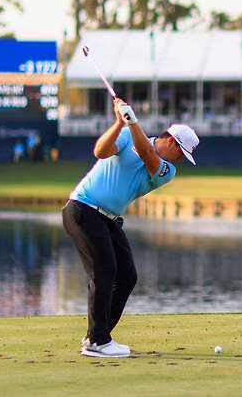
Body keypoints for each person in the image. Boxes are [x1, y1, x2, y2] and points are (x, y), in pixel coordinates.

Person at [62, 98, 199, 358]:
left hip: (109, 218)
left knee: (127, 276)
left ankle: (98, 335)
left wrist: (132, 121)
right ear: (171, 141)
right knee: (104, 269)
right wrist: (118, 123)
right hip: (83, 208)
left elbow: (146, 154)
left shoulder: (167, 170)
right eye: (182, 153)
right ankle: (97, 341)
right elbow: (100, 152)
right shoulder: (126, 135)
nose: (181, 160)